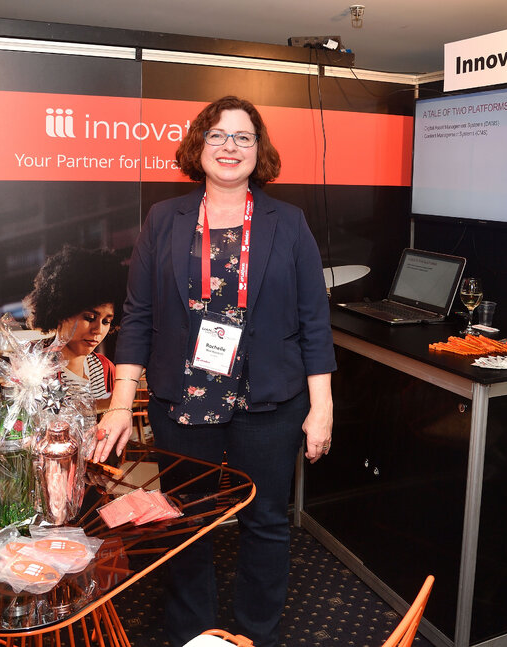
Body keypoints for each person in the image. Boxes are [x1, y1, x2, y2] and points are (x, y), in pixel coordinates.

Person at [94, 95, 336, 646]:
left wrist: (321, 406)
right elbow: (139, 314)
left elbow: (314, 320)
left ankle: (257, 635)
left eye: (243, 137)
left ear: (259, 150)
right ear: (199, 146)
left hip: (269, 400)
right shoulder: (164, 218)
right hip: (184, 397)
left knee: (266, 521)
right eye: (218, 136)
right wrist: (120, 403)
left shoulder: (288, 222)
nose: (230, 147)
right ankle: (194, 634)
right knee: (186, 521)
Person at [24, 245, 123, 410]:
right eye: (89, 318)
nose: (98, 330)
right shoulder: (35, 368)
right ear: (61, 311)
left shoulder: (105, 368)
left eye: (106, 321)